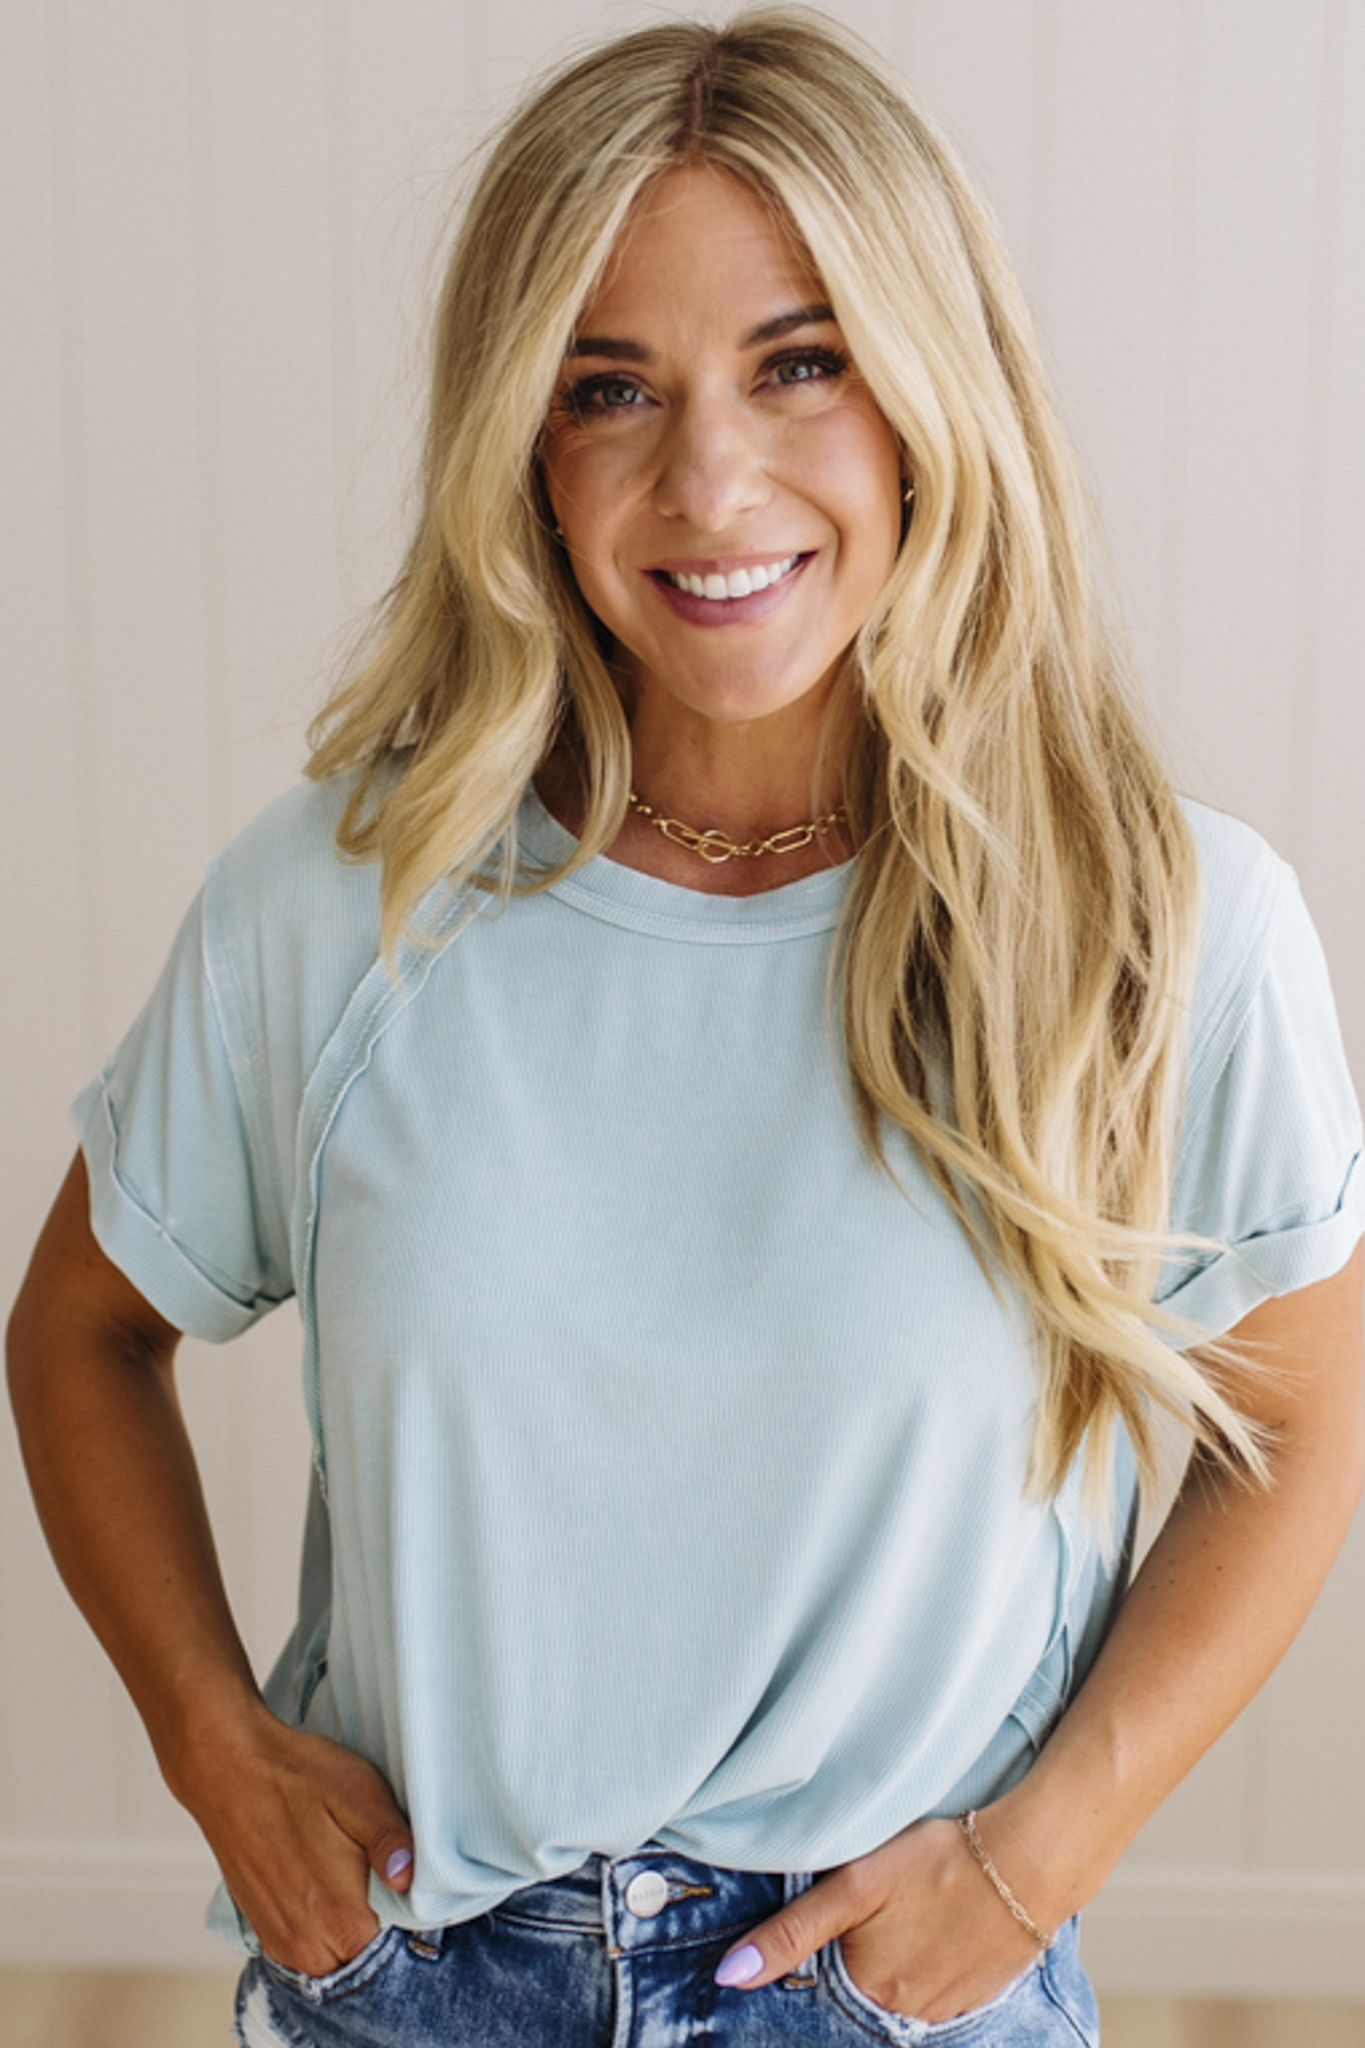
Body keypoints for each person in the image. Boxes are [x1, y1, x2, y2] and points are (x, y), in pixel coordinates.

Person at [8, 10, 1364, 2045]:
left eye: (798, 362)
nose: (705, 477)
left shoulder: (1162, 929)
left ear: (932, 390)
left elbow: (1296, 1420)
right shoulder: (337, 901)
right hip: (411, 1977)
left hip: (893, 1982)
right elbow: (81, 1330)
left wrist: (1042, 1850)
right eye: (605, 388)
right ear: (522, 451)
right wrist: (213, 1742)